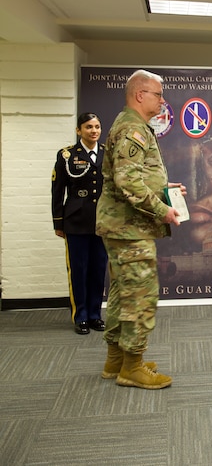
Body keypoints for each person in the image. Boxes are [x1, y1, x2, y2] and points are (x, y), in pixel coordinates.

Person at [96, 69, 183, 390]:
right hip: (128, 228)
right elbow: (127, 181)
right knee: (140, 294)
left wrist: (163, 188)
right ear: (139, 95)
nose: (163, 100)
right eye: (158, 94)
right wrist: (163, 210)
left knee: (123, 291)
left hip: (122, 225)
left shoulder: (132, 127)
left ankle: (116, 360)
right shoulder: (133, 130)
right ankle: (132, 366)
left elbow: (133, 176)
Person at [51, 113, 108, 334]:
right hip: (75, 221)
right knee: (79, 269)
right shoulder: (67, 155)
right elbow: (58, 190)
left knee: (98, 269)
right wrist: (58, 222)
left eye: (97, 126)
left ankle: (95, 314)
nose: (93, 131)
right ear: (79, 131)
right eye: (88, 127)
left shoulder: (106, 153)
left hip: (101, 221)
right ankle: (80, 316)